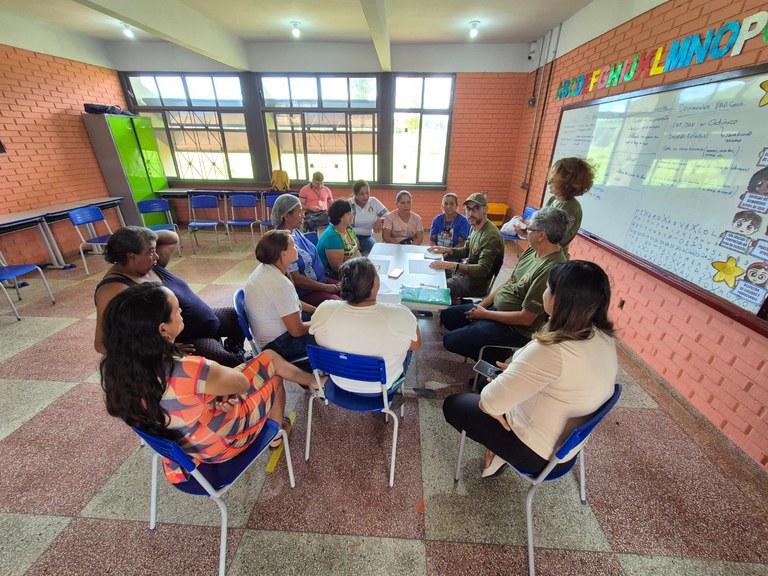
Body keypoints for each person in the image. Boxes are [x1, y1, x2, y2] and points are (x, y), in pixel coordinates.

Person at [100, 283, 321, 483]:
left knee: (255, 369)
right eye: (177, 310)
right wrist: (219, 388)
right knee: (270, 361)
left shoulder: (118, 371)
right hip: (220, 447)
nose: (181, 313)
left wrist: (211, 397)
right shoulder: (187, 369)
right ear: (163, 329)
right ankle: (289, 414)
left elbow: (178, 401)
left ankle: (311, 383)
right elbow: (242, 384)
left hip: (185, 449)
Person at [443, 260, 617, 479]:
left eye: (548, 288)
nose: (544, 292)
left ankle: (500, 451)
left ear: (558, 301)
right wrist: (519, 374)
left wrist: (503, 383)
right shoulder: (604, 337)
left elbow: (489, 403)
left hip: (537, 454)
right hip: (567, 449)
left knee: (454, 405)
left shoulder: (551, 349)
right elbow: (557, 380)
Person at [93, 226, 245, 367]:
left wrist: (142, 237)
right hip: (187, 340)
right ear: (131, 255)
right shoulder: (114, 289)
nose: (157, 255)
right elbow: (102, 344)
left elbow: (172, 237)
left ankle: (235, 351)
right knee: (227, 361)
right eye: (151, 251)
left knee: (235, 317)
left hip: (203, 324)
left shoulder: (148, 264)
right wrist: (162, 349)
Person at [440, 206, 569, 363]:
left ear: (541, 235)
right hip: (495, 309)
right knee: (448, 316)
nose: (525, 231)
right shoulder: (533, 250)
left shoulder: (551, 268)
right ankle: (482, 340)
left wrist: (485, 315)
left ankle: (494, 357)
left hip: (514, 328)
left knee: (450, 341)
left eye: (529, 228)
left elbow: (526, 318)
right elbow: (511, 281)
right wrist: (481, 306)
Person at [310, 257, 421, 393]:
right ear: (375, 284)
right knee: (406, 346)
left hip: (339, 383)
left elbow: (317, 337)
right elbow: (416, 346)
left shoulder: (324, 310)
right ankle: (395, 392)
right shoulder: (401, 314)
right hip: (382, 388)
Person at [245, 230, 316, 360]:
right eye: (294, 246)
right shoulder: (280, 284)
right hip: (279, 345)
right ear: (283, 254)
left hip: (271, 337)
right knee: (330, 333)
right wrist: (322, 323)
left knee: (317, 316)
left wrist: (315, 310)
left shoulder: (265, 268)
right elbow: (297, 330)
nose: (297, 249)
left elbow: (293, 302)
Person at [512, 157, 594, 260]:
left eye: (554, 180)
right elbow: (541, 225)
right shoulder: (553, 199)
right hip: (540, 253)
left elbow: (550, 238)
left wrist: (528, 235)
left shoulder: (569, 207)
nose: (549, 182)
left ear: (567, 183)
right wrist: (527, 229)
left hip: (550, 258)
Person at [428, 193, 504, 303]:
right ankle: (457, 303)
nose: (471, 213)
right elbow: (466, 250)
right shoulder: (475, 226)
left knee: (442, 288)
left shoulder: (490, 236)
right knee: (435, 272)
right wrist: (447, 250)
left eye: (476, 208)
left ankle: (457, 304)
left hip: (476, 283)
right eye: (468, 209)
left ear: (485, 209)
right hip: (465, 275)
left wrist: (454, 265)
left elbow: (483, 270)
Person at [271, 193, 342, 307]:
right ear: (286, 216)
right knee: (338, 303)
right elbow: (296, 278)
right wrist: (326, 288)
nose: (303, 216)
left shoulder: (295, 231)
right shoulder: (282, 242)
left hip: (320, 281)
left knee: (351, 289)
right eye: (299, 212)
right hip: (305, 292)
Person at [316, 199, 361, 279]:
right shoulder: (332, 236)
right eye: (348, 214)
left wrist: (363, 265)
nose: (352, 215)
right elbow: (338, 268)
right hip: (332, 275)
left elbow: (356, 251)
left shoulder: (348, 229)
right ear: (340, 217)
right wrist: (359, 272)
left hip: (349, 269)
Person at [349, 179, 388, 255]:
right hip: (350, 236)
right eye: (362, 194)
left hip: (366, 237)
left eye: (367, 193)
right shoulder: (349, 203)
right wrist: (353, 239)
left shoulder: (373, 201)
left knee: (375, 252)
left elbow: (388, 215)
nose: (366, 196)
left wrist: (380, 219)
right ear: (356, 194)